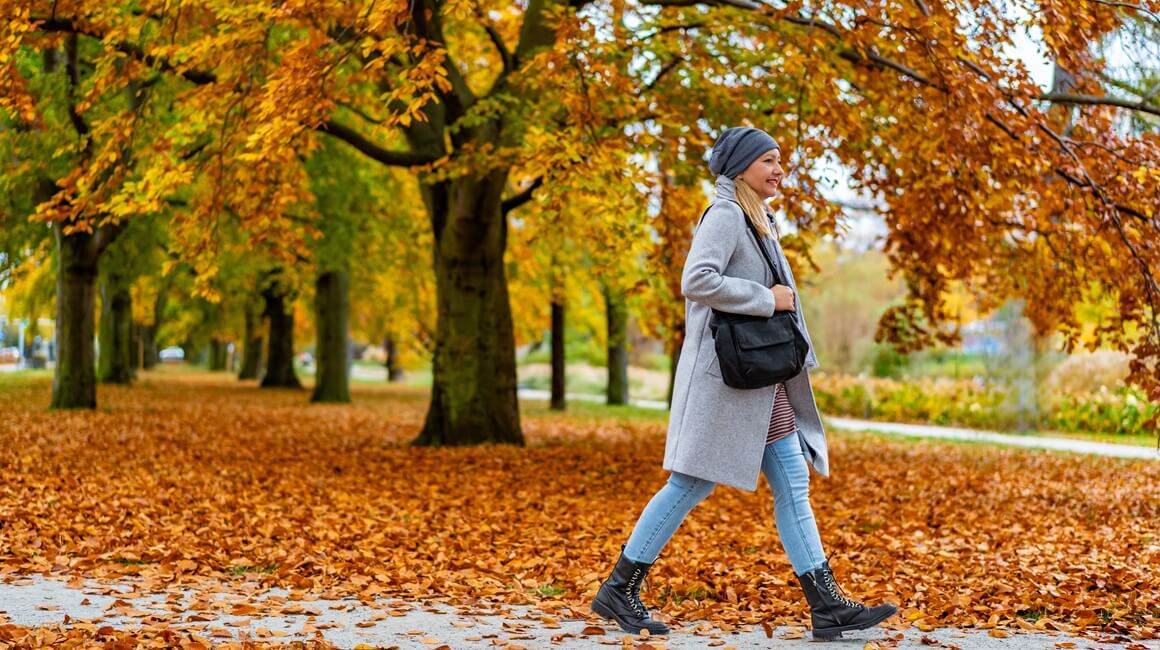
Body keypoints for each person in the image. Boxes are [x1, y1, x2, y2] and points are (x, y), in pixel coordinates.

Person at [590, 127, 898, 641]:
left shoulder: (758, 218)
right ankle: (619, 589)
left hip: (760, 381)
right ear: (741, 166)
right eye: (769, 160)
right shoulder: (727, 214)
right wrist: (766, 298)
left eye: (780, 160)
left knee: (793, 482)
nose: (780, 169)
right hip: (728, 382)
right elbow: (697, 280)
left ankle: (827, 606)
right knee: (690, 483)